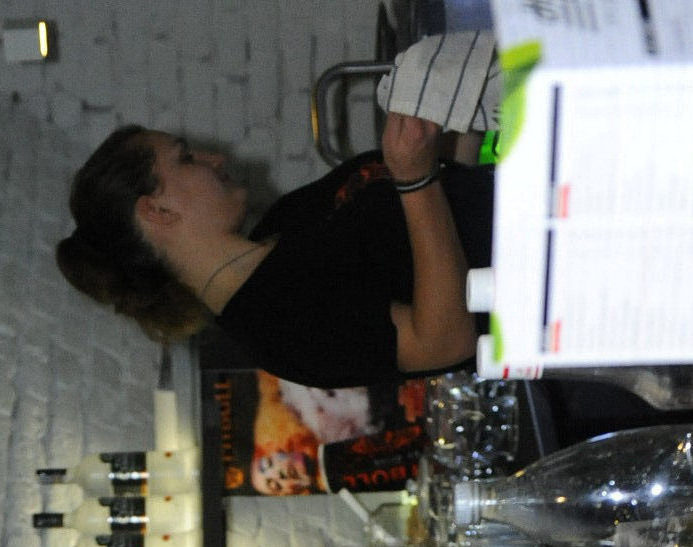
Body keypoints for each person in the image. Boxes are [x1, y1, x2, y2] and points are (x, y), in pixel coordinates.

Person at [55, 112, 492, 390]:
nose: (213, 159)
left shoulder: (279, 224)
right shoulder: (276, 325)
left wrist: (455, 117)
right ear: (157, 211)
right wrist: (415, 178)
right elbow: (444, 341)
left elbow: (442, 210)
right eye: (185, 158)